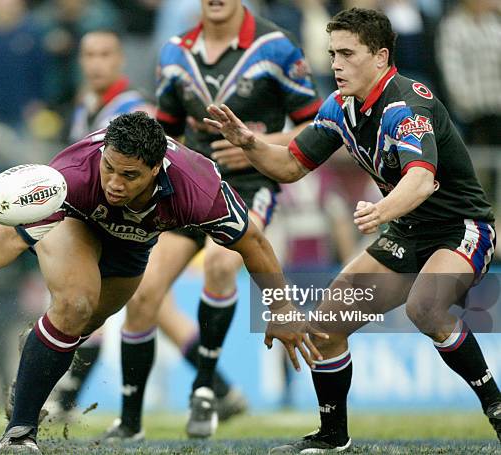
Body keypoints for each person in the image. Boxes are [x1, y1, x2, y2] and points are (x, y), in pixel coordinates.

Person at [0, 112, 322, 451]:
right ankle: (20, 434)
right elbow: (14, 232)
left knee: (85, 322)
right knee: (74, 306)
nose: (114, 182)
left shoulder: (197, 187)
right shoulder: (72, 175)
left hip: (133, 248)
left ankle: (36, 349)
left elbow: (252, 242)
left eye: (129, 175)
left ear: (156, 168)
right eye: (109, 168)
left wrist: (283, 307)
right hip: (77, 226)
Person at [204, 7, 500, 453]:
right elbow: (289, 167)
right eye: (332, 53)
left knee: (426, 307)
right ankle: (331, 436)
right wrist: (250, 144)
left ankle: (496, 408)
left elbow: (421, 179)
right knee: (325, 329)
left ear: (380, 57)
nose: (335, 64)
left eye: (347, 53)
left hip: (459, 231)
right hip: (405, 232)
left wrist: (382, 211)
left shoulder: (407, 105)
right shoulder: (339, 107)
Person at [103, 0, 323, 440]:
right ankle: (129, 422)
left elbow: (317, 125)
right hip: (186, 187)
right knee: (144, 295)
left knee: (223, 265)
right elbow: (162, 133)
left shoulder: (276, 47)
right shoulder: (173, 51)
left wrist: (256, 144)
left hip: (248, 186)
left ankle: (204, 388)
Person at [6, 30, 247, 423]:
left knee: (112, 298)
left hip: (156, 217)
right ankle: (221, 387)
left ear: (120, 61)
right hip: (113, 220)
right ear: (81, 62)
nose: (96, 63)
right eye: (89, 55)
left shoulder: (133, 109)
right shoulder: (86, 107)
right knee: (146, 302)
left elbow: (163, 163)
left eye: (105, 54)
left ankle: (66, 394)